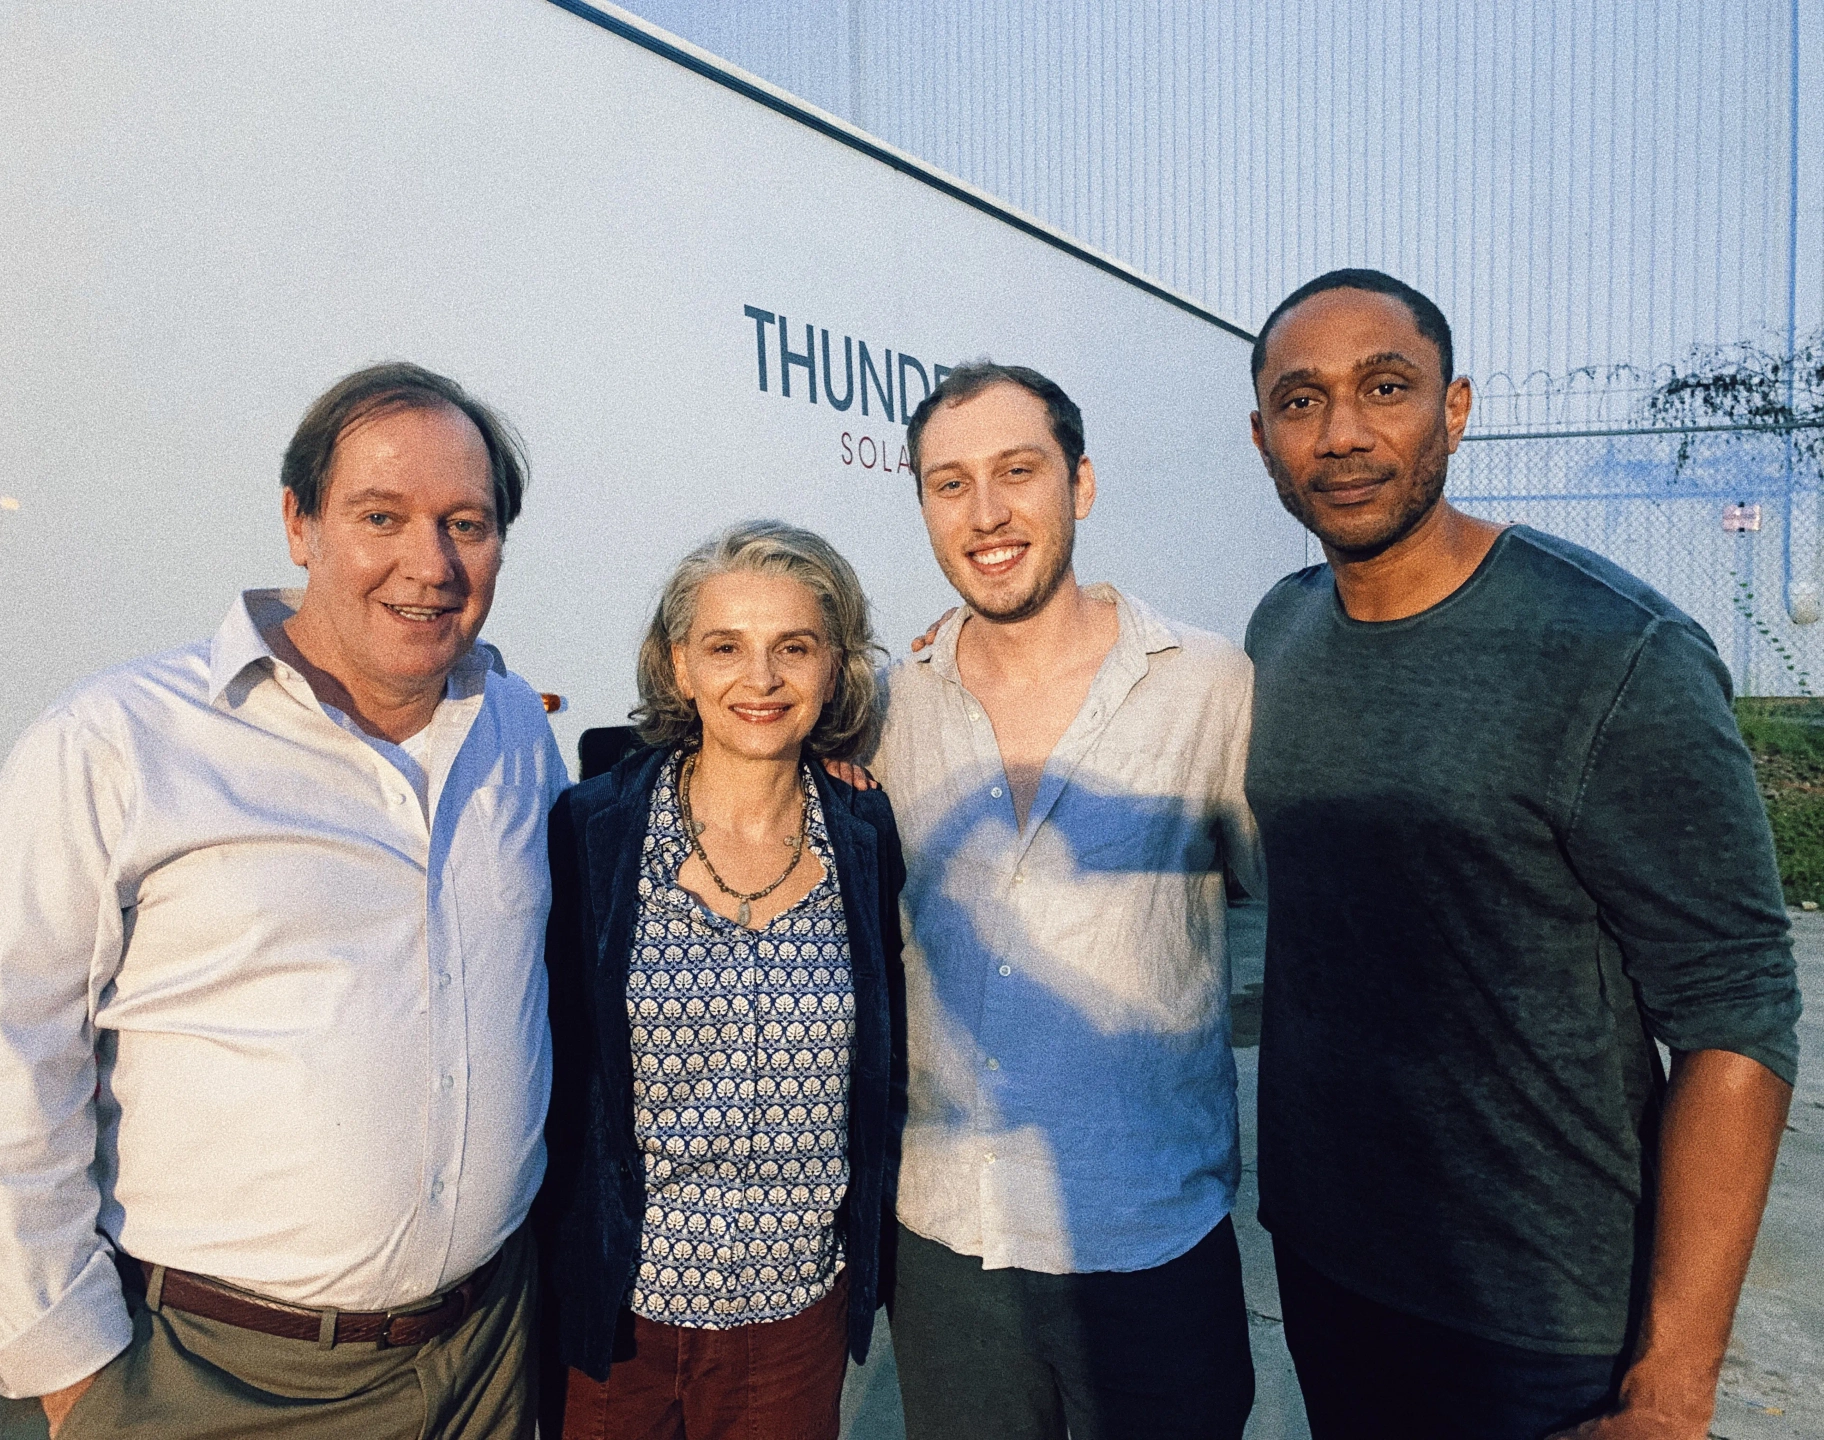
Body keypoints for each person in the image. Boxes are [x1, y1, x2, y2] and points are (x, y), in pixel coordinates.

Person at [0, 362, 569, 1439]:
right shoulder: (119, 742)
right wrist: (75, 1380)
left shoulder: (509, 729)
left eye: (468, 522)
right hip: (221, 1382)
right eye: (381, 516)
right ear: (298, 522)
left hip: (488, 1355)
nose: (431, 564)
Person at [1243, 268, 1803, 1439]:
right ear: (1263, 438)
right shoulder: (1281, 631)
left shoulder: (1611, 650)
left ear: (1454, 408)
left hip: (1540, 1314)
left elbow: (1736, 1014)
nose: (1342, 433)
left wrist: (1670, 1388)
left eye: (1384, 388)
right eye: (1301, 402)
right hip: (1331, 1264)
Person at [871, 363, 1261, 1440]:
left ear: (1079, 485)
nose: (986, 514)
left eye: (1017, 472)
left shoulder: (1209, 686)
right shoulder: (889, 707)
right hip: (952, 1248)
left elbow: (1316, 917)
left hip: (1149, 1238)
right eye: (950, 484)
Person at [540, 521, 906, 1440]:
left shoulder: (864, 835)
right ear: (678, 667)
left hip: (794, 1324)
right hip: (621, 1317)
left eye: (795, 647)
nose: (762, 679)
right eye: (725, 648)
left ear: (834, 665)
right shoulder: (591, 832)